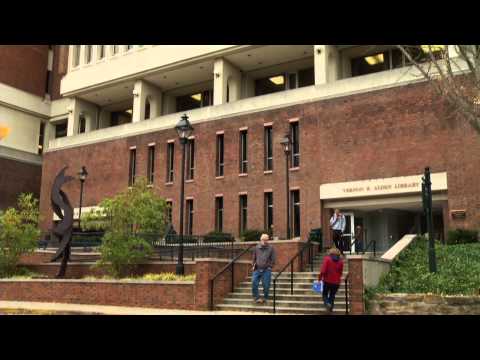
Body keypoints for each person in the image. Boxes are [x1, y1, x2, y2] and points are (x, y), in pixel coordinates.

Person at [252, 233, 276, 304]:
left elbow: (273, 259)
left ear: (268, 240)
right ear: (260, 240)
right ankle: (257, 298)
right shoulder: (256, 248)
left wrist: (270, 267)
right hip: (257, 269)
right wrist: (253, 264)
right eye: (263, 239)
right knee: (254, 282)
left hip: (266, 270)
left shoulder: (271, 248)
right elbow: (254, 257)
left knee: (266, 284)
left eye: (266, 240)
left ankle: (266, 297)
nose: (264, 241)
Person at [319, 247, 344, 312]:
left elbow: (323, 270)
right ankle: (330, 309)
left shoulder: (327, 259)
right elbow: (340, 272)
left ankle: (327, 303)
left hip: (327, 281)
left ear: (330, 252)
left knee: (324, 294)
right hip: (336, 282)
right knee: (332, 295)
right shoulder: (341, 262)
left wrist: (320, 278)